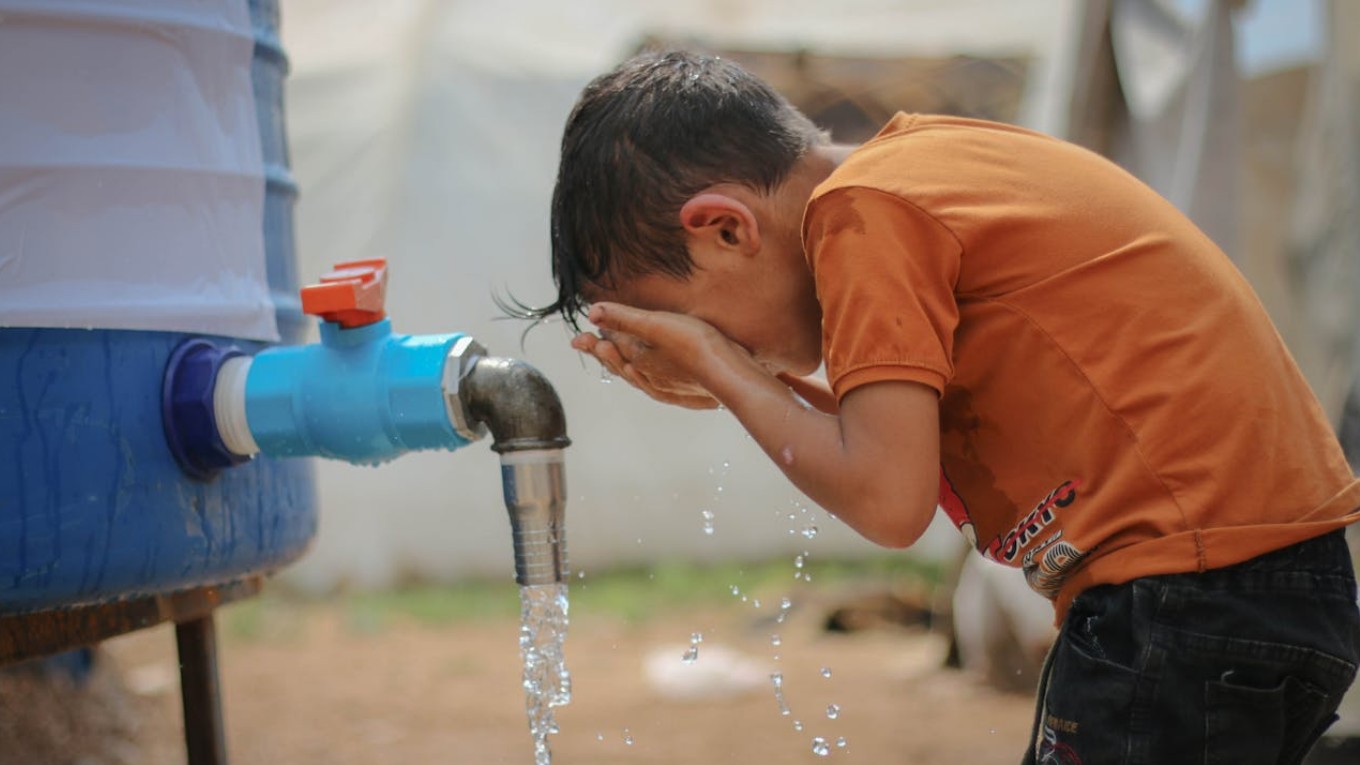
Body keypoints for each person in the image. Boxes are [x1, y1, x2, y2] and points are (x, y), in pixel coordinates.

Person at [517, 49, 1360, 763]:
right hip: (1250, 582)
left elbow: (889, 497)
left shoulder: (861, 213)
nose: (715, 347)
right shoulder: (910, 176)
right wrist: (743, 380)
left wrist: (723, 370)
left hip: (1186, 591)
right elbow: (885, 440)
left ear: (726, 229)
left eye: (693, 322)